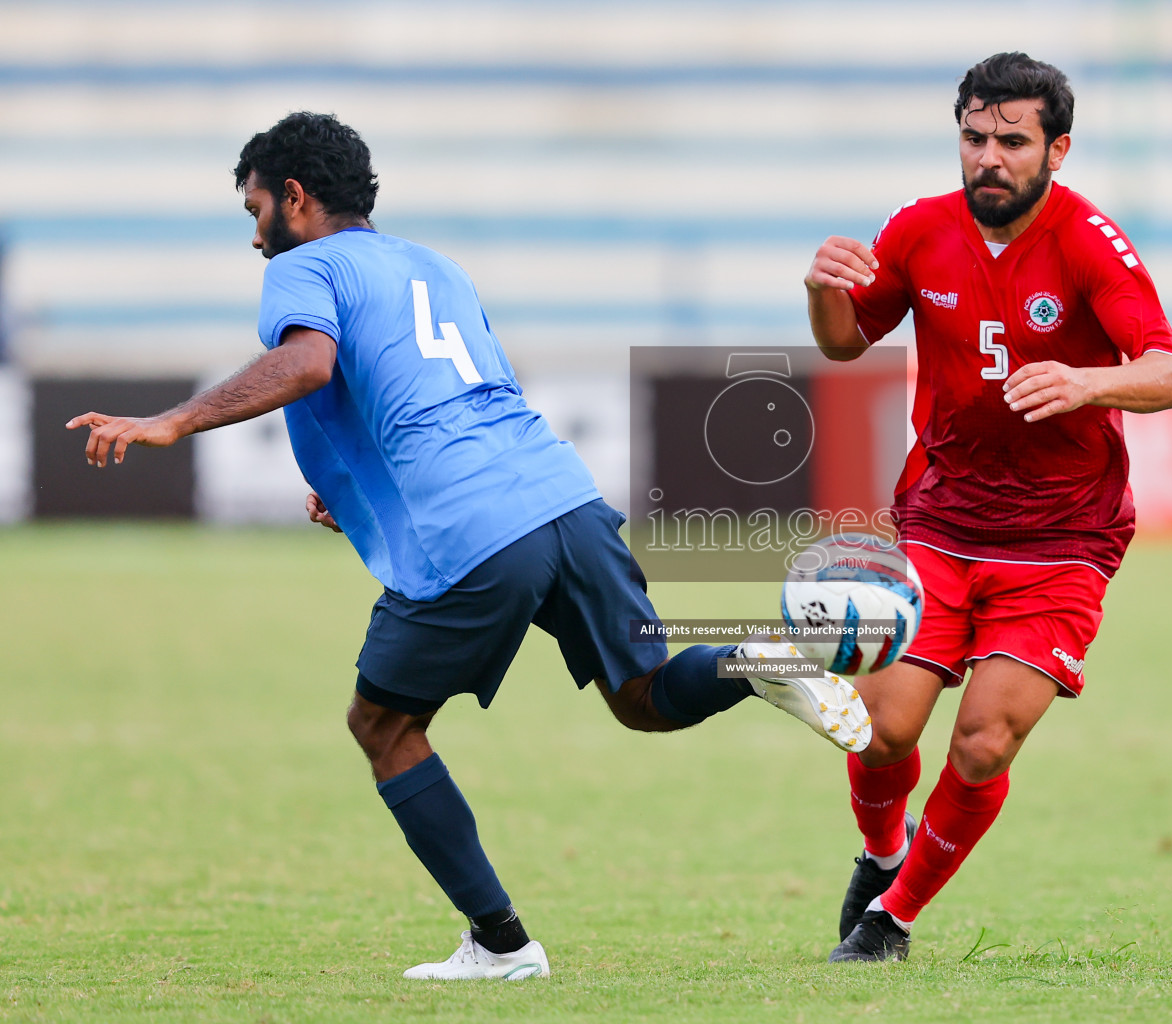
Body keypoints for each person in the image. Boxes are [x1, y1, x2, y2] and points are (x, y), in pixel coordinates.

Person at [66, 112, 871, 981]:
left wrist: (172, 420)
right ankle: (753, 660)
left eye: (256, 209)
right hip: (564, 497)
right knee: (639, 694)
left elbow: (307, 365)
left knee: (382, 723)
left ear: (293, 199)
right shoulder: (435, 266)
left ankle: (501, 943)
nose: (255, 234)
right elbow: (452, 391)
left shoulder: (305, 264)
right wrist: (359, 489)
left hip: (476, 526)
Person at [803, 53, 1172, 962]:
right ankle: (880, 848)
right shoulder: (919, 230)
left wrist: (1088, 382)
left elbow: (1170, 373)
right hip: (941, 518)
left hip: (1062, 538)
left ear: (1056, 149)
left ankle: (890, 919)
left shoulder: (1091, 240)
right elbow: (847, 343)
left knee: (981, 743)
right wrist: (821, 291)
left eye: (1011, 142)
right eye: (974, 138)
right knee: (882, 726)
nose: (988, 158)